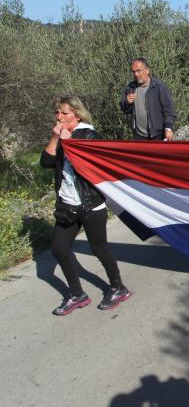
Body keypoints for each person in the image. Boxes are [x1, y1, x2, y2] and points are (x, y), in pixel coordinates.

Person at [42, 95, 131, 315]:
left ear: (77, 114)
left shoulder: (89, 134)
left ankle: (118, 287)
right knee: (59, 249)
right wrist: (55, 139)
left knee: (99, 249)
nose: (59, 117)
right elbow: (46, 163)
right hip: (68, 204)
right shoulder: (60, 135)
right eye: (57, 113)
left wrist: (69, 142)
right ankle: (76, 294)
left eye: (64, 113)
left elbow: (91, 167)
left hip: (91, 203)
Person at [120, 58, 176, 141]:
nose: (136, 74)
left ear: (147, 70)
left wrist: (168, 128)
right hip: (139, 136)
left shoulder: (158, 87)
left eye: (139, 71)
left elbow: (169, 110)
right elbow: (125, 110)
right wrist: (127, 102)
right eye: (133, 71)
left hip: (158, 135)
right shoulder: (130, 88)